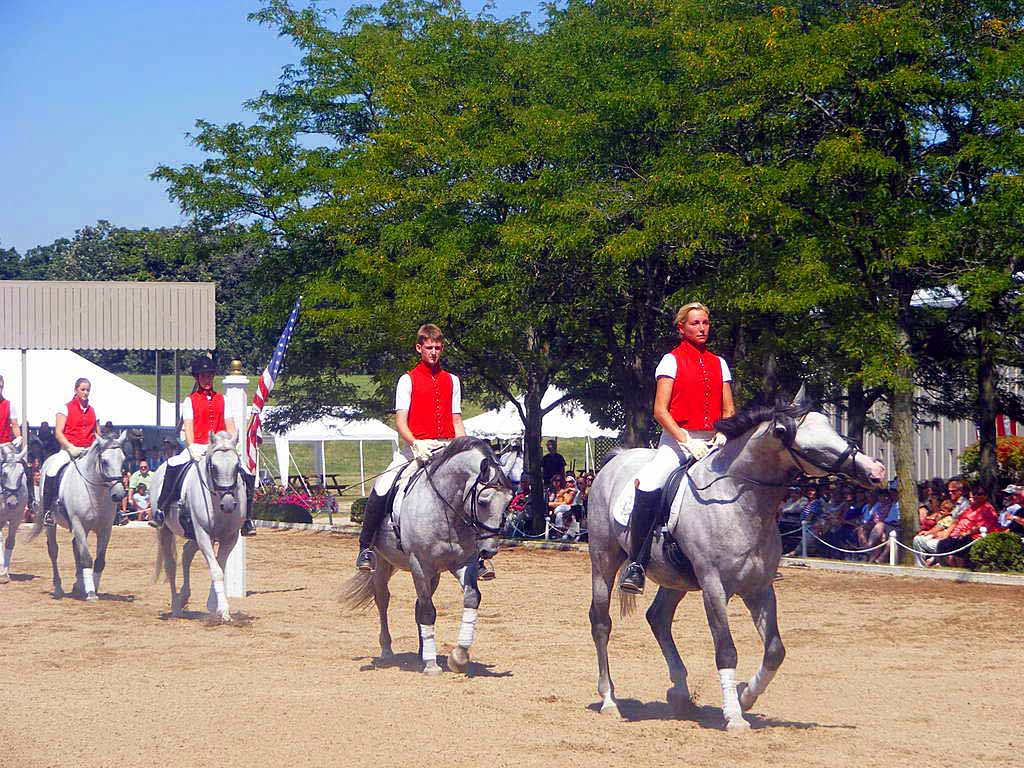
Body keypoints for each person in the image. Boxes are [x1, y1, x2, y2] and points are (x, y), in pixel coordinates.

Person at [620, 301, 735, 594]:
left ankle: (754, 561)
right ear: (681, 327)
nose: (702, 328)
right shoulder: (670, 361)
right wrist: (685, 439)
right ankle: (637, 562)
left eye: (705, 323)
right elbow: (660, 410)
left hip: (715, 440)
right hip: (678, 441)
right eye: (695, 323)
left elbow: (729, 410)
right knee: (648, 485)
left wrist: (723, 433)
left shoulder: (718, 363)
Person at [355, 324, 485, 574]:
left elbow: (456, 420)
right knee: (382, 487)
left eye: (437, 348)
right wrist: (415, 444)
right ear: (419, 348)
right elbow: (400, 421)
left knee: (473, 489)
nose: (434, 353)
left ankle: (477, 553)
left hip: (447, 447)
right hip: (415, 448)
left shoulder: (452, 381)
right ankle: (365, 548)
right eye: (429, 348)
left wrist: (464, 449)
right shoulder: (407, 380)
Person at [150, 356, 256, 536]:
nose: (207, 379)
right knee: (172, 466)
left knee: (247, 473)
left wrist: (232, 445)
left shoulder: (223, 399)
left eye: (209, 375)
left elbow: (230, 426)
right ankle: (161, 508)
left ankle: (247, 518)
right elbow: (189, 427)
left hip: (220, 448)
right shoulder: (190, 400)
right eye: (203, 376)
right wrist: (191, 448)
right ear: (197, 378)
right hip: (198, 446)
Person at [39, 378, 102, 526]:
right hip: (69, 450)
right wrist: (70, 447)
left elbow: (98, 434)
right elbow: (58, 433)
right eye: (83, 389)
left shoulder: (93, 411)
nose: (85, 393)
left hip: (88, 451)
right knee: (52, 470)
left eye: (88, 390)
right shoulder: (65, 408)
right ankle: (48, 511)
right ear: (76, 390)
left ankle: (115, 511)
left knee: (106, 469)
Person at [932, 485, 1001, 566]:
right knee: (942, 544)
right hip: (958, 535)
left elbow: (981, 527)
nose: (975, 496)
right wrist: (947, 533)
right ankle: (947, 566)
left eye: (979, 494)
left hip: (975, 537)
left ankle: (957, 567)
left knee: (956, 544)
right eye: (974, 493)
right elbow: (957, 520)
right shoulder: (971, 508)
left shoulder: (988, 509)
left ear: (985, 496)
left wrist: (965, 533)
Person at [0, 373, 33, 512]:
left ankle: (31, 501)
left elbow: (14, 424)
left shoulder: (9, 405)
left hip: (6, 444)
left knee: (24, 467)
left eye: (0, 386)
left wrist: (18, 436)